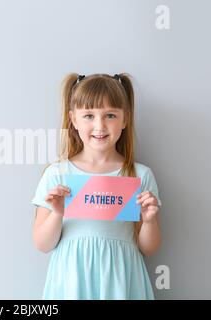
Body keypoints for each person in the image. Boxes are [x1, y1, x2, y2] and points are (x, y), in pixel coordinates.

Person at [31, 73, 162, 299]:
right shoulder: (57, 174)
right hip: (72, 281)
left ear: (125, 119)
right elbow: (42, 244)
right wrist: (57, 214)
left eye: (110, 115)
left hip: (121, 280)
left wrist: (148, 220)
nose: (99, 125)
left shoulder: (139, 175)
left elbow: (149, 248)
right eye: (89, 115)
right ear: (73, 120)